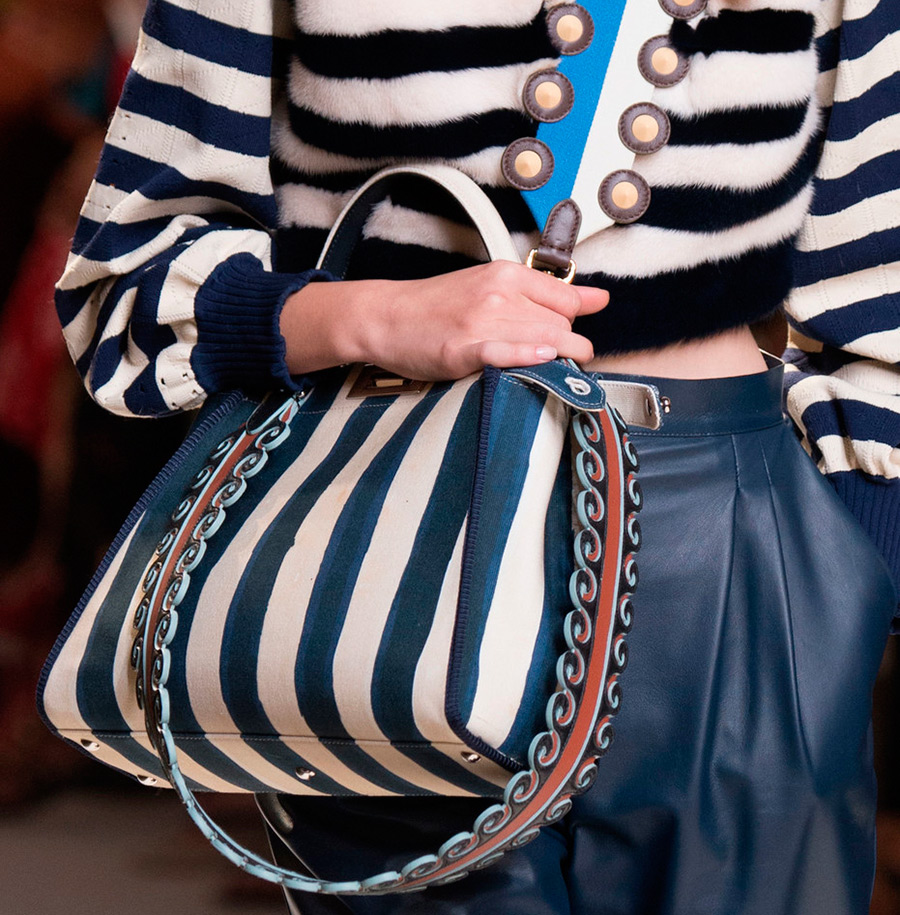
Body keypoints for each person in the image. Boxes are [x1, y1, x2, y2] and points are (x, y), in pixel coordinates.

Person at [54, 0, 900, 912]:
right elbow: (127, 280)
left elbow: (879, 288)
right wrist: (378, 317)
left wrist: (847, 592)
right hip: (391, 549)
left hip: (740, 554)